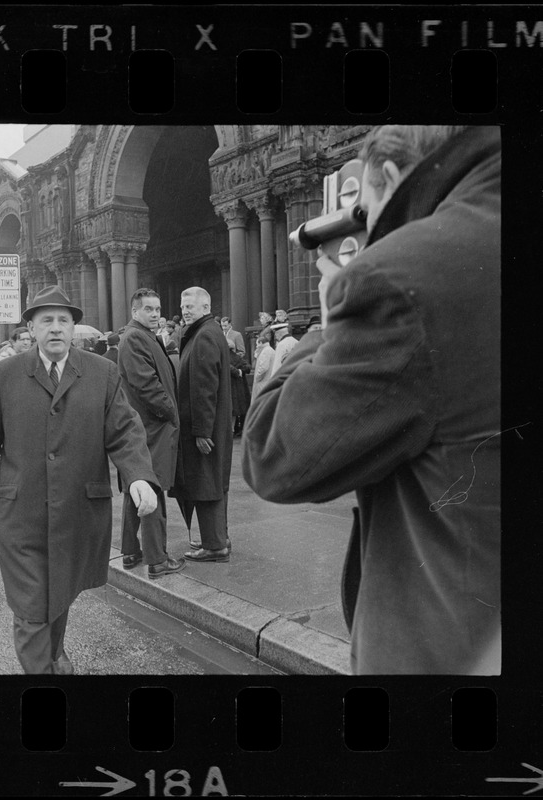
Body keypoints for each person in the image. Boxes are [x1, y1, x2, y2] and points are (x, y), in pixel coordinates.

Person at [241, 125, 501, 674]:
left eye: (368, 207)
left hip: (445, 648)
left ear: (386, 176)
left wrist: (325, 325)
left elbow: (273, 455)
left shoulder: (400, 280)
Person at [0, 285, 158, 674]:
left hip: (77, 510)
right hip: (22, 514)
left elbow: (124, 430)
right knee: (31, 606)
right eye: (46, 321)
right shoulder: (7, 373)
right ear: (31, 329)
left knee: (60, 589)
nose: (55, 328)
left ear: (74, 329)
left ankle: (54, 653)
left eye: (63, 321)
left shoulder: (102, 372)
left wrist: (138, 477)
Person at [117, 289, 184, 579]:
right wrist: (171, 412)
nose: (155, 314)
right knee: (152, 490)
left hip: (146, 426)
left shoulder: (140, 335)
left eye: (157, 309)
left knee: (138, 488)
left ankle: (132, 552)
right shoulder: (134, 337)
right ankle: (157, 559)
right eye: (148, 309)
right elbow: (146, 385)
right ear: (135, 312)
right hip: (151, 427)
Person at [172, 287, 232, 562]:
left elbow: (204, 388)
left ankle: (215, 544)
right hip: (208, 425)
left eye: (190, 306)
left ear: (206, 307)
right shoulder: (205, 331)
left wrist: (201, 431)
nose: (185, 310)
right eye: (183, 306)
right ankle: (217, 538)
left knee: (207, 482)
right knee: (212, 481)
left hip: (205, 427)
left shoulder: (204, 334)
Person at [229, 349, 252, 437]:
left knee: (232, 411)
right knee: (236, 410)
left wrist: (237, 372)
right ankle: (234, 430)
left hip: (230, 387)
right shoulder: (237, 357)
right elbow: (248, 367)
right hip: (239, 388)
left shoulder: (224, 356)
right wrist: (240, 371)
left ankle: (231, 431)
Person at [250, 328, 275, 400]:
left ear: (261, 343)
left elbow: (263, 368)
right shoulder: (269, 350)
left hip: (263, 383)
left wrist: (257, 378)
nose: (256, 346)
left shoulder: (265, 351)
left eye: (257, 344)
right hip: (266, 381)